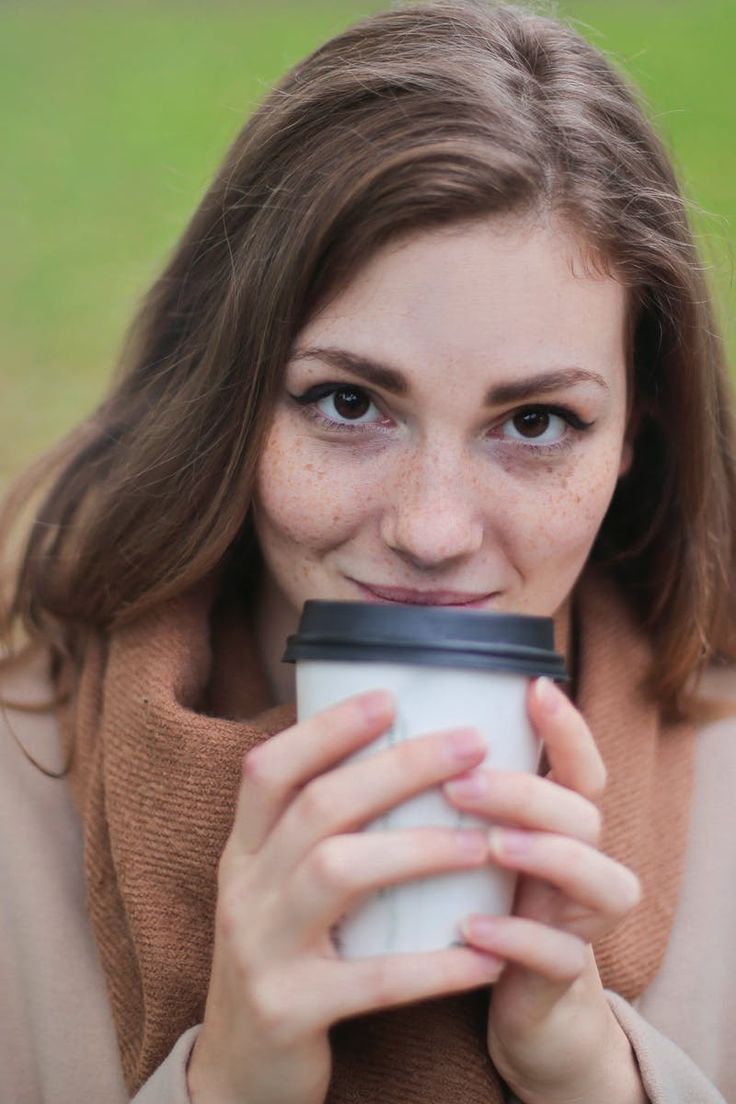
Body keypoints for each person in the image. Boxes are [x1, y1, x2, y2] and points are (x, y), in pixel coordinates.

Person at [1, 1, 735, 1102]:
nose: (432, 531)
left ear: (637, 439)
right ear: (233, 401)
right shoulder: (19, 805)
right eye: (348, 402)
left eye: (535, 423)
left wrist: (595, 1074)